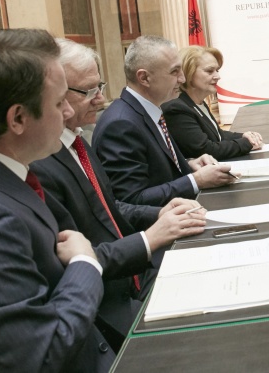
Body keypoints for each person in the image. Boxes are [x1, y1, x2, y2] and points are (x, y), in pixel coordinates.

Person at [31, 39, 207, 348]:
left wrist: (160, 214)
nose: (100, 99)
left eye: (99, 86)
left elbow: (108, 209)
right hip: (106, 303)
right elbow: (73, 256)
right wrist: (150, 239)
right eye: (88, 91)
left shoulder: (76, 141)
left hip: (130, 274)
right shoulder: (40, 163)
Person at [0, 28, 114, 372]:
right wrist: (85, 264)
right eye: (58, 101)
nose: (68, 113)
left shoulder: (11, 175)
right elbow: (37, 355)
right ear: (18, 118)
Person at [93, 36, 234, 207]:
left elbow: (156, 171)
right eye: (174, 72)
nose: (182, 79)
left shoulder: (150, 110)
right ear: (144, 78)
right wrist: (195, 180)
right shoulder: (121, 125)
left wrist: (189, 165)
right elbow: (131, 200)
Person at [162, 46, 263, 160]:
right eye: (209, 71)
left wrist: (244, 136)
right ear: (188, 73)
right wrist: (246, 144)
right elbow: (205, 150)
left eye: (217, 71)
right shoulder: (176, 108)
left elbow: (217, 135)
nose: (218, 77)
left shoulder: (198, 103)